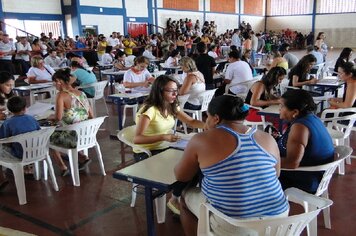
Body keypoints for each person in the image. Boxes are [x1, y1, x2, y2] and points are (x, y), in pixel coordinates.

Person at [175, 95, 289, 236]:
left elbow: (181, 176)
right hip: (279, 220)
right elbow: (276, 174)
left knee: (185, 197)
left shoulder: (201, 139)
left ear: (216, 118)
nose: (206, 121)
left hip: (236, 224)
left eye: (207, 117)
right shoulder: (267, 137)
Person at [134, 75, 205, 214]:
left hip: (165, 149)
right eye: (171, 91)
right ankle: (177, 198)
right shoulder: (149, 110)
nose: (175, 94)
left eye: (176, 90)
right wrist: (163, 137)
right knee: (185, 167)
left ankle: (176, 197)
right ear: (160, 91)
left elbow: (191, 122)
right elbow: (137, 139)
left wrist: (210, 125)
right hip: (146, 153)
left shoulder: (172, 106)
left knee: (197, 164)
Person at [278, 89, 335, 193]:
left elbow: (292, 163)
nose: (279, 109)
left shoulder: (300, 127)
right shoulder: (312, 118)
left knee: (253, 172)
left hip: (305, 180)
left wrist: (264, 162)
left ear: (295, 112)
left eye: (282, 106)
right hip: (317, 174)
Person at [48, 68, 93, 176]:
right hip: (87, 135)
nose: (54, 85)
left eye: (54, 83)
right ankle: (82, 157)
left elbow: (58, 117)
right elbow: (91, 115)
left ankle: (62, 167)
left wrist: (50, 117)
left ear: (59, 81)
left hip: (73, 137)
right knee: (67, 129)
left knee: (47, 138)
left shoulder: (61, 95)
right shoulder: (81, 93)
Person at [0, 96, 41, 189]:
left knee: (6, 148)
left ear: (9, 110)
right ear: (25, 108)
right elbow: (39, 131)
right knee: (26, 143)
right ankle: (28, 169)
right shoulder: (32, 119)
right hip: (37, 151)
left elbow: (4, 140)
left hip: (19, 154)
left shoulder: (7, 123)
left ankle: (1, 179)